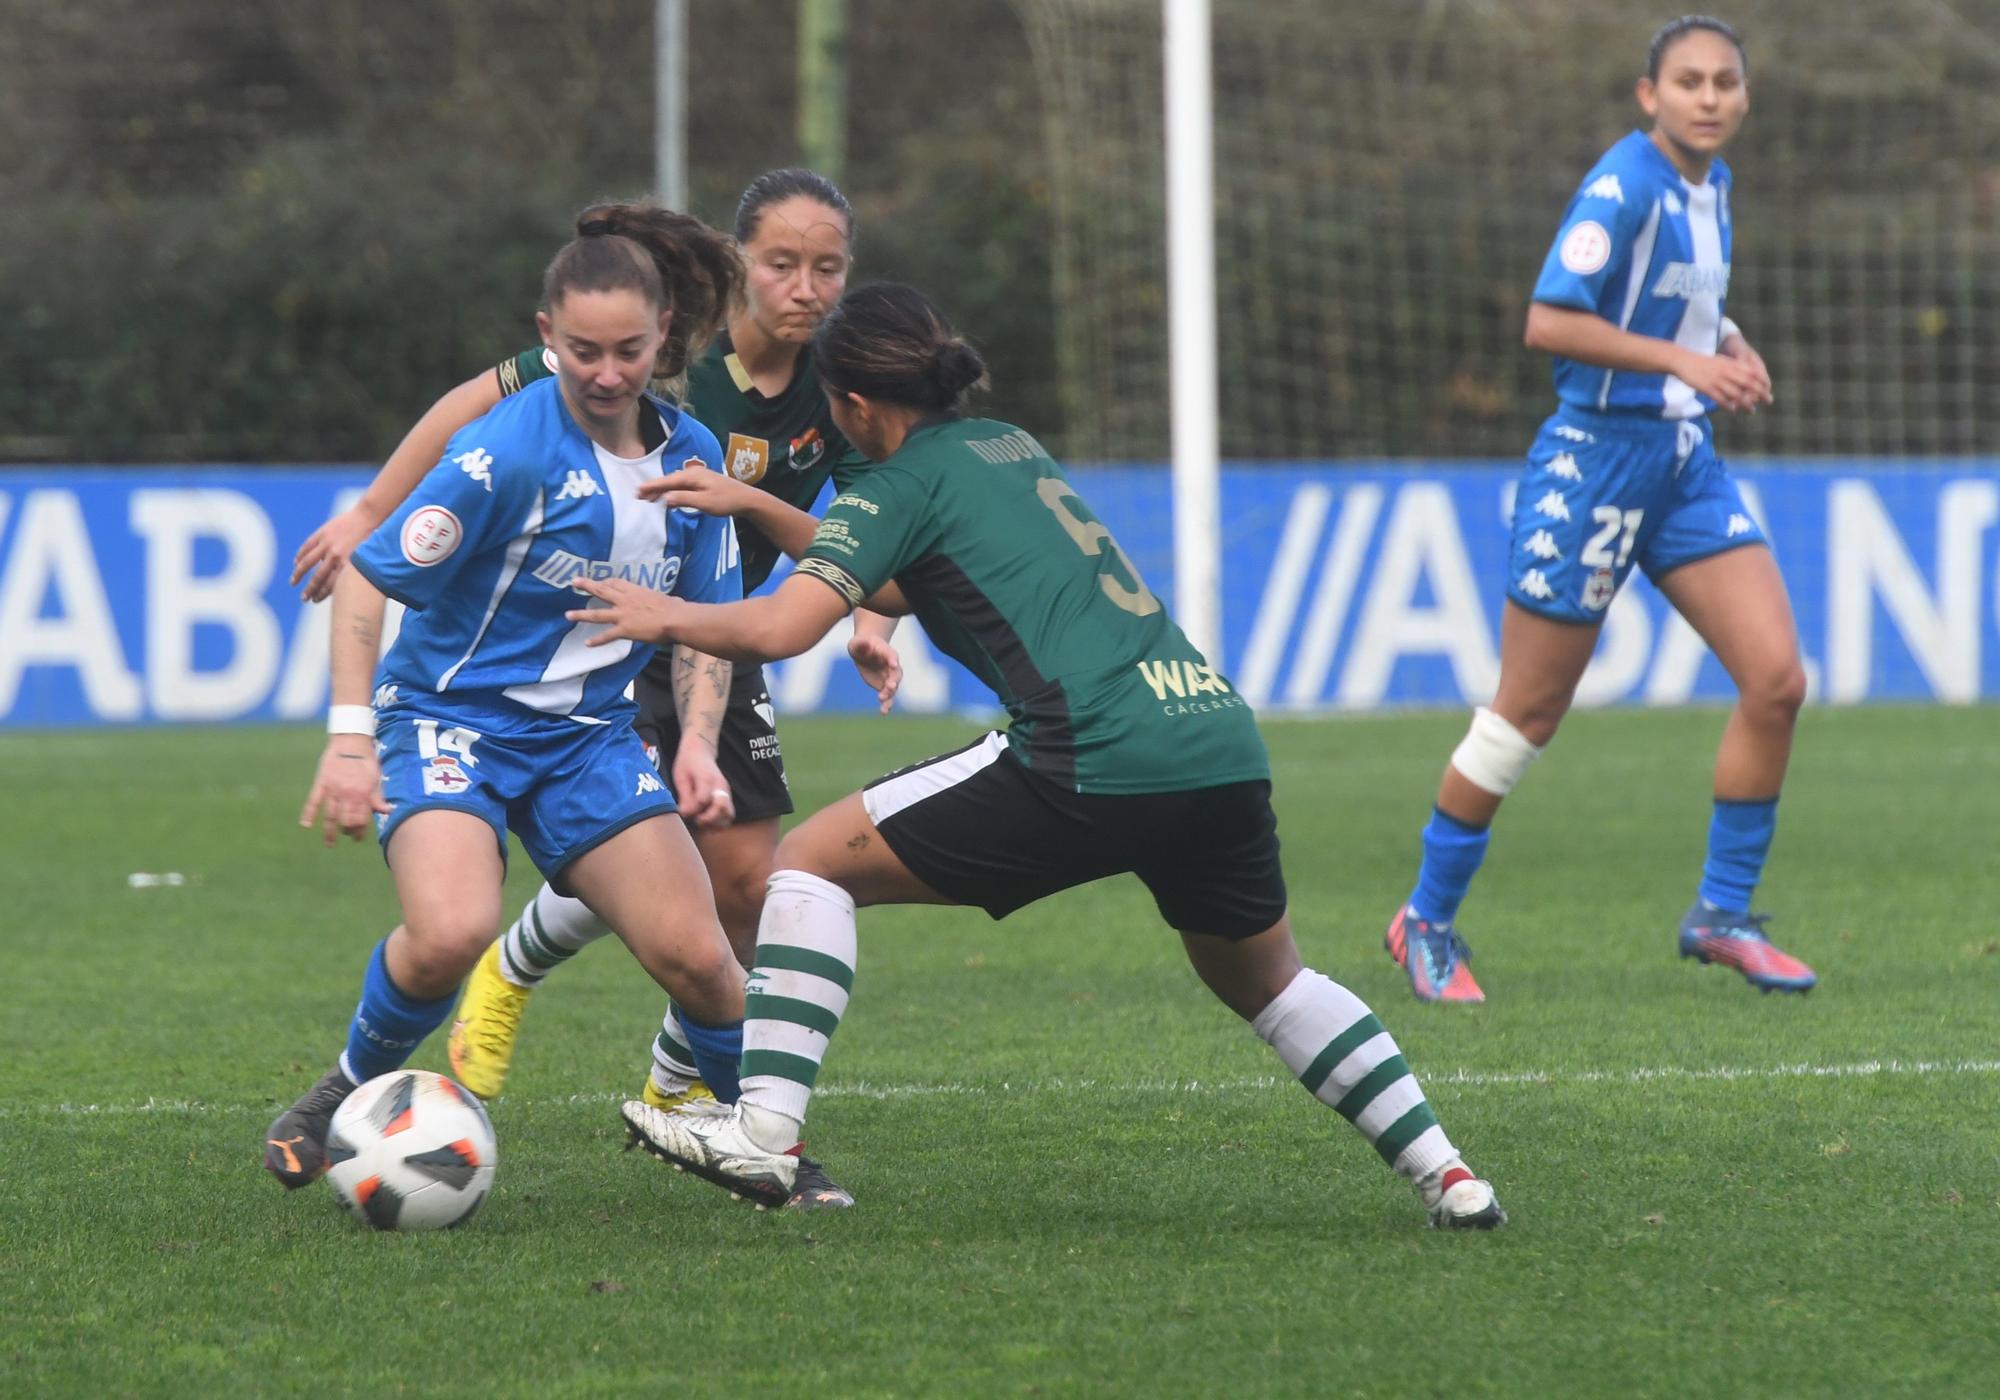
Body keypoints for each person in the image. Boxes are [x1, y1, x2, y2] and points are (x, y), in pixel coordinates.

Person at [579, 282, 1506, 1229]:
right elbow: (893, 583)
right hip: (1214, 738)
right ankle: (1451, 1176)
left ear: (854, 406)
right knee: (1267, 979)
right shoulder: (1007, 444)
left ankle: (763, 1137)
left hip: (1088, 751)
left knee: (808, 866)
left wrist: (663, 613)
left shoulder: (896, 483)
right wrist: (755, 504)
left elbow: (781, 626)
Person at [290, 174, 886, 1208]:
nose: (604, 373)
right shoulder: (503, 452)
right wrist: (349, 741)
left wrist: (696, 744)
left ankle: (762, 1147)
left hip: (588, 738)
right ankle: (342, 1085)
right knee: (449, 930)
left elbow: (706, 628)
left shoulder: (692, 457)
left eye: (627, 351)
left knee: (702, 956)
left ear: (664, 337)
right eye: (580, 352)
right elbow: (367, 578)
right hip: (452, 718)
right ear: (546, 336)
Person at [1382, 15, 1814, 1003]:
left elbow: (1665, 303)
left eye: (1723, 82)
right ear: (1646, 96)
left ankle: (1719, 914)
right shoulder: (1621, 185)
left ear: (1742, 97)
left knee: (1775, 680)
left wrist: (1725, 342)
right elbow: (1550, 318)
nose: (1706, 97)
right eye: (1686, 82)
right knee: (1523, 713)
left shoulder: (1713, 187)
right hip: (1593, 467)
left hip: (1680, 462)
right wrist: (1686, 362)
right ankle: (1423, 918)